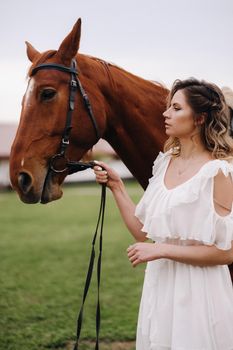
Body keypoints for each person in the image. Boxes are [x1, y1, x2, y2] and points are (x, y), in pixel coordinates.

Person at [93, 78, 233, 350]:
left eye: (176, 108)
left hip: (201, 294)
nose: (165, 113)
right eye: (168, 106)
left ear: (200, 118)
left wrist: (161, 250)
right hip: (161, 288)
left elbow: (226, 253)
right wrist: (117, 187)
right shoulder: (165, 162)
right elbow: (144, 232)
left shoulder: (219, 173)